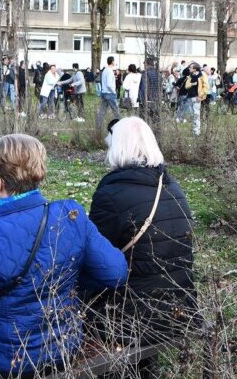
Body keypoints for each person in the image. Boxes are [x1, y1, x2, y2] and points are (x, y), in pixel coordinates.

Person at [0, 134, 127, 377]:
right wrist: (67, 282)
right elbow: (115, 272)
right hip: (64, 347)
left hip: (6, 362)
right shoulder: (71, 215)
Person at [87, 117, 197, 370]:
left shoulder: (111, 194)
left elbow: (97, 260)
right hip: (178, 307)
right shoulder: (172, 187)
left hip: (130, 315)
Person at [175, 62, 208, 136]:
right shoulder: (190, 76)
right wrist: (192, 84)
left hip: (197, 97)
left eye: (190, 67)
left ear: (194, 68)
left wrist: (200, 96)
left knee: (196, 115)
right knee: (193, 115)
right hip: (190, 97)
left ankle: (197, 132)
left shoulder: (202, 75)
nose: (189, 68)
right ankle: (194, 131)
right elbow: (186, 86)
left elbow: (206, 87)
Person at [96, 56, 120, 130]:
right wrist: (114, 91)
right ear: (112, 62)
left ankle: (98, 127)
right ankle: (121, 127)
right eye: (114, 61)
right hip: (110, 94)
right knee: (116, 111)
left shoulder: (105, 70)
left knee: (102, 112)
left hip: (104, 93)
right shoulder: (109, 71)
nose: (115, 62)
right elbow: (109, 84)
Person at [138, 58, 162, 125]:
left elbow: (144, 88)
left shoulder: (145, 74)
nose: (144, 65)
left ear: (146, 64)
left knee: (144, 121)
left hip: (147, 100)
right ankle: (156, 134)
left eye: (144, 64)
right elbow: (160, 88)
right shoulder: (158, 74)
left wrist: (141, 100)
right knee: (156, 120)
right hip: (156, 99)